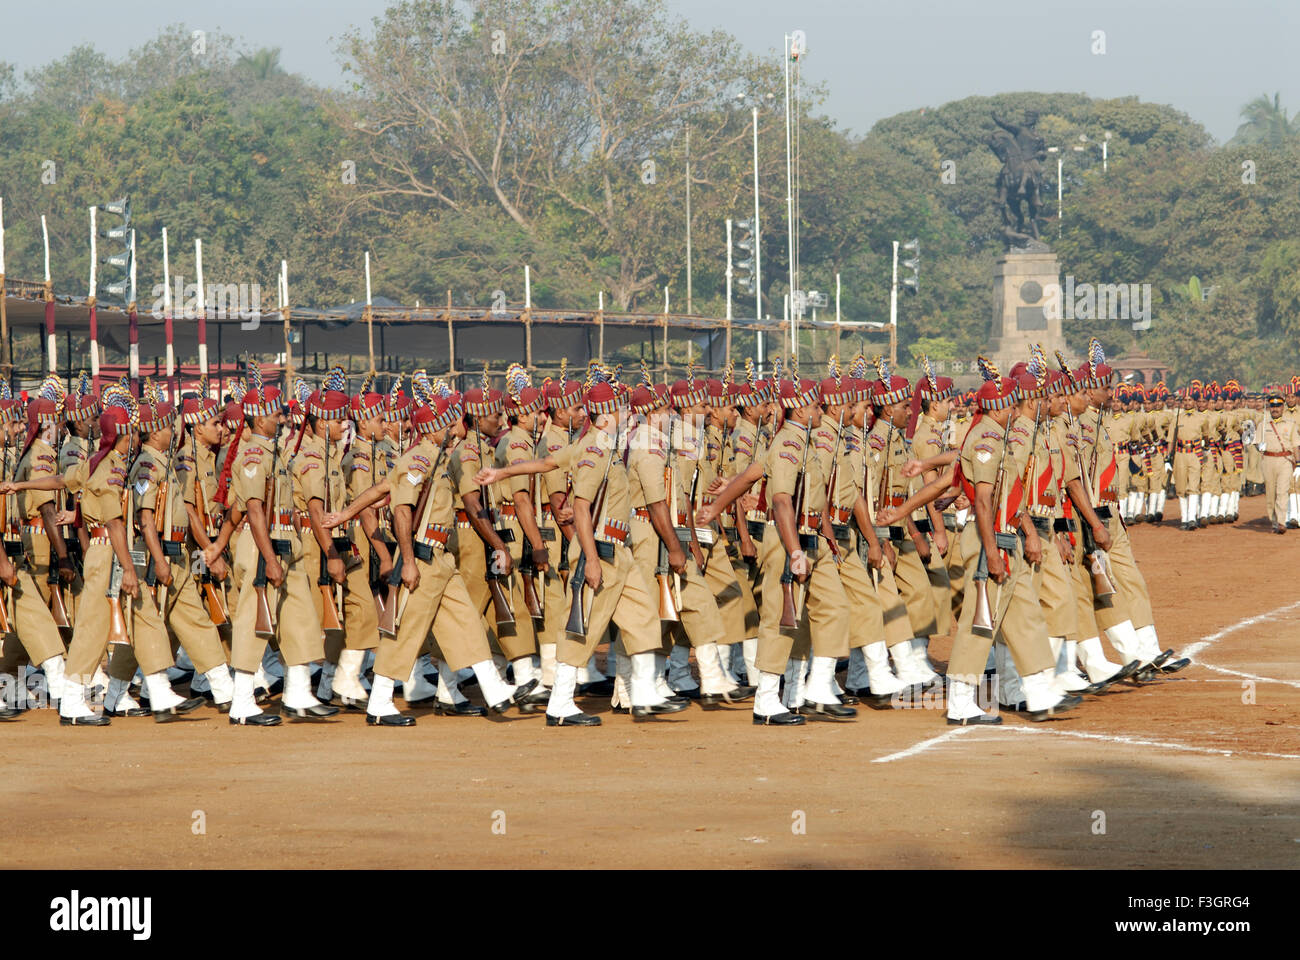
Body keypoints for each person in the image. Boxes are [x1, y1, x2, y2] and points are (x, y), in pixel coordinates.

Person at [475, 363, 688, 726]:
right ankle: (559, 704)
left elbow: (544, 463)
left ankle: (646, 693)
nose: (626, 414)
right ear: (606, 415)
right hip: (601, 551)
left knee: (643, 619)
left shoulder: (597, 444)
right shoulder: (595, 452)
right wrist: (589, 558)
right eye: (620, 409)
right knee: (582, 626)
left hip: (618, 550)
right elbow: (582, 509)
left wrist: (501, 473)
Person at [324, 394, 533, 725]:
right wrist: (407, 559)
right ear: (435, 428)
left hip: (442, 559)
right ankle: (379, 703)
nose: (454, 428)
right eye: (448, 424)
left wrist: (344, 513)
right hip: (423, 558)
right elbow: (401, 509)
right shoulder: (420, 460)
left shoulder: (436, 457)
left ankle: (494, 690)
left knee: (467, 622)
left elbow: (380, 488)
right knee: (405, 631)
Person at [1258, 392, 1300, 534]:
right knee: (1271, 494)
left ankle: (1281, 522)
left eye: (1278, 406)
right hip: (1268, 460)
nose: (1275, 408)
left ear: (1283, 407)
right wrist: (1258, 446)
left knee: (1282, 491)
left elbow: (1295, 445)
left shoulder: (1291, 424)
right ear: (1269, 407)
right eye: (1273, 406)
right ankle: (1274, 520)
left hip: (1285, 460)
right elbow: (1255, 442)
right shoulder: (1262, 424)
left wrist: (1298, 463)